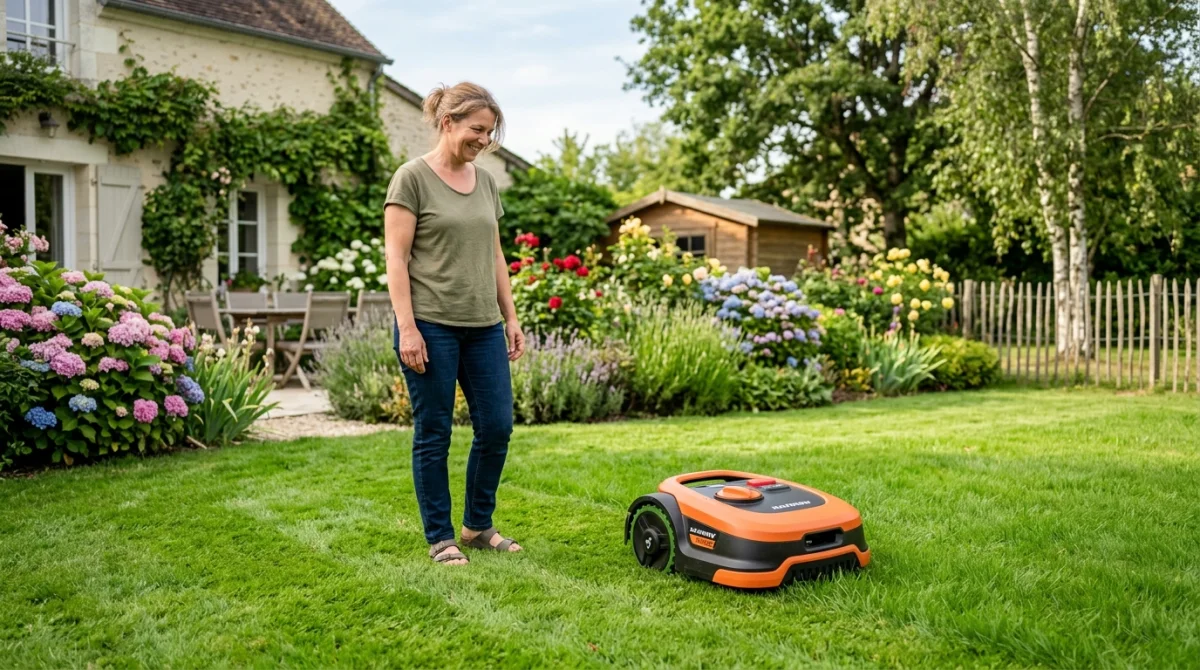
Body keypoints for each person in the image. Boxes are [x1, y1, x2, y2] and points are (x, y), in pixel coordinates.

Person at [383, 82, 525, 566]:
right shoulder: (411, 178)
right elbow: (396, 258)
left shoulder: (485, 182)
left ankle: (477, 525)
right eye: (476, 129)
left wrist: (510, 315)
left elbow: (495, 253)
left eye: (489, 132)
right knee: (434, 432)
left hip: (483, 324)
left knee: (497, 426)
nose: (483, 140)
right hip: (431, 325)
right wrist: (407, 327)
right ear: (448, 122)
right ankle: (441, 536)